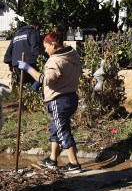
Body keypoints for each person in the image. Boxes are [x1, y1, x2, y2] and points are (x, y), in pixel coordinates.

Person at [18, 31, 83, 173]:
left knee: (62, 132)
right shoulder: (73, 55)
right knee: (55, 128)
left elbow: (47, 80)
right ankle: (52, 159)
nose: (45, 51)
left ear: (54, 44)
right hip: (71, 97)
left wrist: (29, 69)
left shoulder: (55, 60)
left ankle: (74, 164)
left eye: (46, 47)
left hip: (59, 100)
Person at [3, 21, 43, 90]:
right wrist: (41, 61)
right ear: (37, 26)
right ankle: (30, 96)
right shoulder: (33, 31)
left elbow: (9, 50)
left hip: (17, 64)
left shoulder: (17, 34)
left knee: (24, 85)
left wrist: (10, 63)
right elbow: (35, 47)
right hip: (30, 63)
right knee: (40, 78)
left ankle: (26, 98)